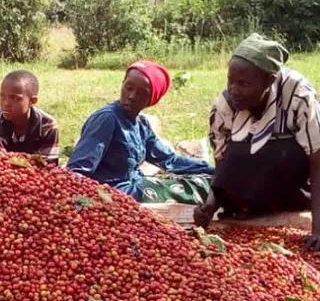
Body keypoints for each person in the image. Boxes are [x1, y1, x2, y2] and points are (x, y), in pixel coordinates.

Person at [193, 34, 320, 253]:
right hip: (269, 151)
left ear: (269, 80)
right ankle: (263, 202)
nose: (234, 89)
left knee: (280, 155)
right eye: (231, 81)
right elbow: (224, 165)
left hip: (309, 150)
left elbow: (318, 162)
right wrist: (209, 206)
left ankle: (296, 199)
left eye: (244, 84)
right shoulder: (225, 105)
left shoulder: (298, 94)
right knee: (239, 154)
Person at [67, 60, 212, 202]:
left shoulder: (141, 125)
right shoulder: (107, 119)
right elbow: (77, 170)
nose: (131, 96)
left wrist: (211, 170)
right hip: (114, 194)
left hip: (134, 185)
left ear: (151, 100)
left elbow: (169, 160)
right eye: (129, 88)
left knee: (205, 182)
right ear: (122, 84)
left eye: (142, 93)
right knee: (189, 190)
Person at [0, 69, 59, 163]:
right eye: (2, 96)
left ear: (32, 101)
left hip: (30, 175)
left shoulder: (47, 126)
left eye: (14, 98)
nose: (6, 103)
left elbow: (49, 168)